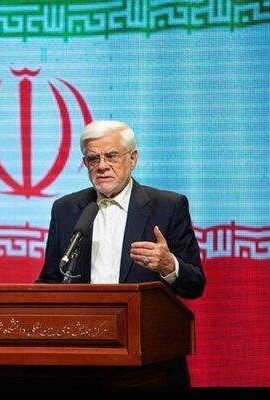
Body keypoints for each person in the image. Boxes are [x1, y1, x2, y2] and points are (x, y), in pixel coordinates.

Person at [36, 120, 206, 387]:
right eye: (93, 159)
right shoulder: (66, 208)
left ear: (133, 158)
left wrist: (168, 264)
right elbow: (50, 280)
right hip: (83, 358)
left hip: (148, 361)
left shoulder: (168, 206)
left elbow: (195, 284)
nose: (102, 166)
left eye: (112, 156)